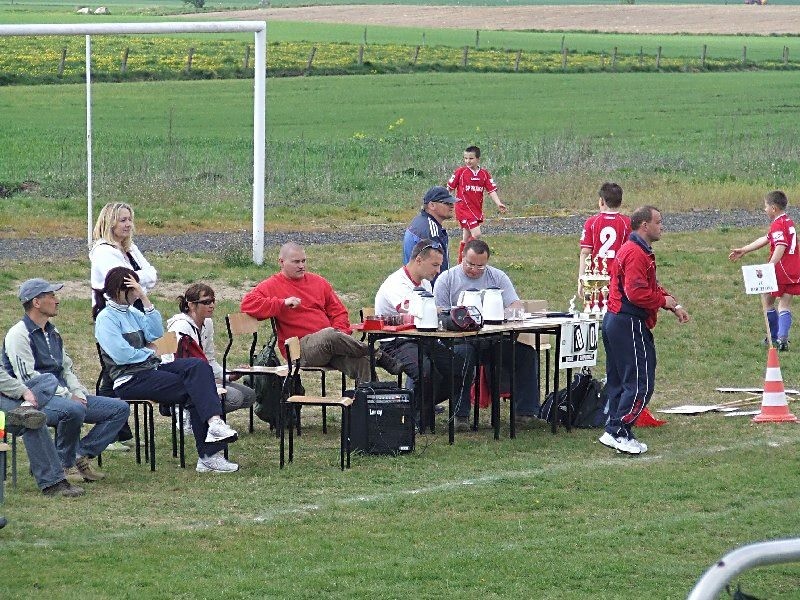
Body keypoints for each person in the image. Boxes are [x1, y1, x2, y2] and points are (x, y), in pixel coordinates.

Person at [95, 267, 240, 473]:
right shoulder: (106, 318)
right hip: (129, 379)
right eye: (134, 289)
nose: (137, 292)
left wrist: (145, 299)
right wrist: (150, 353)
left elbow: (156, 334)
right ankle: (209, 455)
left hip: (151, 370)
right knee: (196, 388)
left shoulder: (132, 313)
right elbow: (121, 355)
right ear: (121, 290)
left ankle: (215, 424)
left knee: (198, 366)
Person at [3, 279, 130, 483]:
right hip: (33, 400)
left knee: (119, 409)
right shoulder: (18, 334)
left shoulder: (53, 332)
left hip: (63, 395)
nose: (57, 300)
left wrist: (77, 392)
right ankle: (63, 464)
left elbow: (66, 368)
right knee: (73, 410)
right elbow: (27, 378)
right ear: (36, 302)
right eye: (52, 296)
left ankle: (78, 455)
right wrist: (67, 395)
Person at [241, 242, 403, 382]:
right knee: (329, 335)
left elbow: (339, 312)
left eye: (304, 261)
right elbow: (247, 304)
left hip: (331, 344)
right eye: (296, 262)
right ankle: (378, 354)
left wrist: (340, 334)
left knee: (362, 362)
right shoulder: (271, 285)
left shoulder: (318, 282)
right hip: (300, 349)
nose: (301, 266)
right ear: (281, 262)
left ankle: (373, 402)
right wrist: (282, 303)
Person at [600, 206, 689, 455]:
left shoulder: (638, 251)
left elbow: (649, 285)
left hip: (615, 320)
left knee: (619, 381)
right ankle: (619, 431)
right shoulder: (635, 253)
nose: (662, 226)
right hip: (628, 323)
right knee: (640, 382)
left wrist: (672, 304)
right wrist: (662, 301)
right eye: (658, 222)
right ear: (644, 225)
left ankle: (616, 430)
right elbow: (636, 293)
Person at [433, 239, 540, 430]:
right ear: (462, 257)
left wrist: (504, 314)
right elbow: (438, 311)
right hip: (460, 340)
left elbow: (515, 305)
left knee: (526, 354)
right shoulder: (446, 279)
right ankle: (460, 416)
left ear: (487, 262)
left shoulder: (497, 276)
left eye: (480, 266)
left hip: (493, 339)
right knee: (462, 358)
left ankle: (525, 413)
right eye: (470, 264)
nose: (474, 270)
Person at [90, 202, 157, 449]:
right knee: (113, 371)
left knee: (115, 374)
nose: (128, 224)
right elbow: (124, 280)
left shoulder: (130, 248)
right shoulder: (103, 251)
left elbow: (152, 275)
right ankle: (109, 432)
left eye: (130, 219)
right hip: (110, 315)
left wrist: (139, 281)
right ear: (109, 223)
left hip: (132, 311)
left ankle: (115, 431)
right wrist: (139, 281)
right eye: (122, 220)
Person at [375, 239, 466, 414]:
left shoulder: (425, 283)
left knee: (459, 368)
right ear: (418, 260)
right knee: (426, 372)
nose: (438, 271)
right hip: (395, 342)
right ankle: (417, 413)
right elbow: (416, 313)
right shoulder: (396, 283)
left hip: (422, 339)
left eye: (439, 266)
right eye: (435, 265)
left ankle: (416, 409)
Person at [165, 283, 256, 434]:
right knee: (234, 398)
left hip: (201, 376)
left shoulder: (207, 323)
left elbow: (209, 360)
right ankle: (184, 412)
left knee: (249, 396)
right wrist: (210, 384)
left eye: (213, 301)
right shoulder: (180, 327)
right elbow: (175, 363)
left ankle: (202, 416)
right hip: (182, 379)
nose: (212, 305)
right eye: (206, 302)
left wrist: (229, 375)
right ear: (191, 305)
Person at [729, 190, 800, 351]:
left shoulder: (777, 224)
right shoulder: (788, 221)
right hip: (794, 269)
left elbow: (780, 245)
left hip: (780, 269)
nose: (764, 209)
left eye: (766, 206)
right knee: (784, 304)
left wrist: (770, 266)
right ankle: (782, 338)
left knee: (767, 301)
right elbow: (767, 238)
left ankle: (773, 337)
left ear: (773, 208)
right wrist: (745, 249)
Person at [0, 371, 85, 497]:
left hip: (6, 394)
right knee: (33, 421)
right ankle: (53, 483)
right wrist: (23, 391)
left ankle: (25, 408)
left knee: (49, 378)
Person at [447, 146, 507, 264]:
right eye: (465, 158)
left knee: (466, 238)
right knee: (477, 234)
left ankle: (461, 264)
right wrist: (444, 200)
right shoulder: (460, 172)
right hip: (463, 209)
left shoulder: (484, 174)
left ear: (478, 159)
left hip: (476, 210)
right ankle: (467, 257)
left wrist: (498, 203)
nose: (468, 161)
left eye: (471, 158)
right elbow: (449, 188)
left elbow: (491, 190)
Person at [578, 182, 631, 298]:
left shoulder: (591, 222)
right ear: (620, 202)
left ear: (601, 201)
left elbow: (585, 252)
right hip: (619, 281)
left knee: (594, 307)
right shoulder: (627, 223)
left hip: (596, 279)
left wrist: (581, 279)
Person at [403, 186, 459, 280]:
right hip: (426, 285)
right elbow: (434, 267)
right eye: (446, 203)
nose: (452, 206)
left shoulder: (420, 221)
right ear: (432, 205)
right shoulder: (431, 230)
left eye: (451, 202)